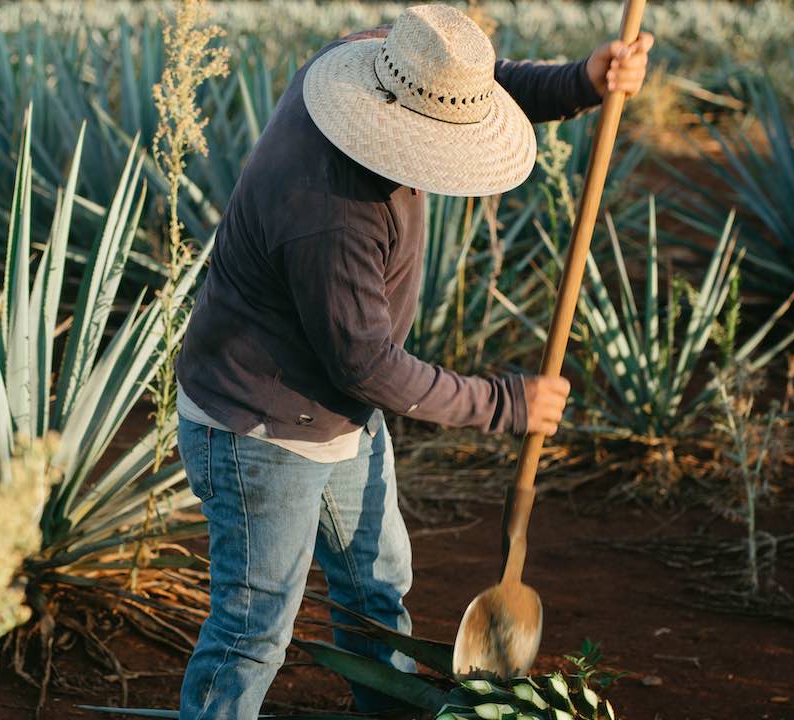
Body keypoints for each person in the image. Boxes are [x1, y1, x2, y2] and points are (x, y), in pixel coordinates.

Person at [173, 5, 654, 717]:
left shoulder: (379, 64)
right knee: (253, 631)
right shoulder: (329, 213)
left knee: (375, 586)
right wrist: (506, 404)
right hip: (259, 429)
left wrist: (579, 81)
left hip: (337, 417)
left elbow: (478, 85)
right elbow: (368, 366)